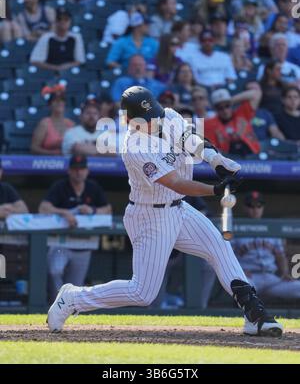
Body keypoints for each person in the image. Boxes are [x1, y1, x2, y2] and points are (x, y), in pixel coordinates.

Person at [47, 85, 283, 337]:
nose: (154, 121)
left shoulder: (168, 116)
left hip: (178, 209)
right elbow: (175, 182)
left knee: (219, 246)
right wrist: (216, 190)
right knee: (142, 293)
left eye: (154, 114)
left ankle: (253, 314)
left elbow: (191, 139)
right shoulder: (133, 146)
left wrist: (217, 161)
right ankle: (73, 298)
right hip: (150, 216)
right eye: (146, 118)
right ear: (130, 120)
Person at [39, 154, 112, 302]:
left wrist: (92, 210)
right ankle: (56, 305)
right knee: (54, 271)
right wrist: (63, 213)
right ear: (69, 171)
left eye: (82, 169)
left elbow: (108, 209)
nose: (79, 172)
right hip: (62, 243)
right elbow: (43, 208)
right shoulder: (60, 186)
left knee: (74, 287)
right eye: (75, 169)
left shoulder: (93, 187)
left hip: (83, 245)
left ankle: (67, 312)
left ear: (87, 171)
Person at [232, 191, 300, 301]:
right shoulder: (235, 228)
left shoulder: (272, 228)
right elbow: (228, 256)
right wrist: (239, 271)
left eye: (259, 206)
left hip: (271, 279)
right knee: (243, 288)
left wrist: (285, 273)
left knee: (298, 287)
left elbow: (280, 256)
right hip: (249, 277)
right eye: (251, 206)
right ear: (245, 208)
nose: (255, 209)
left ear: (263, 208)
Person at [205, 85, 262, 156]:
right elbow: (212, 149)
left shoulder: (242, 114)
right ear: (215, 109)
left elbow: (256, 93)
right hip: (229, 159)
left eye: (227, 106)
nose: (225, 110)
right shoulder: (210, 124)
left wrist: (231, 100)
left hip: (253, 157)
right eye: (220, 108)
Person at [30, 7, 85, 72]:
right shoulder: (46, 37)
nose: (62, 22)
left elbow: (80, 60)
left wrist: (67, 66)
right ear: (55, 22)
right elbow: (35, 61)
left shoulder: (76, 37)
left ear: (70, 21)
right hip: (49, 73)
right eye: (59, 19)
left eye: (66, 19)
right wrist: (56, 68)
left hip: (70, 73)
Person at [31, 85, 75, 155]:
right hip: (48, 160)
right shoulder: (44, 123)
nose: (59, 102)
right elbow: (34, 148)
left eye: (62, 100)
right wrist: (52, 153)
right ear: (49, 105)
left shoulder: (71, 124)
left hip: (68, 161)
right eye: (55, 100)